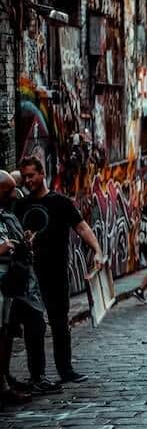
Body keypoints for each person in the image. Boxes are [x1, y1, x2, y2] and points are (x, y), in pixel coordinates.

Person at [16, 156, 104, 383]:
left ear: (42, 173)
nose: (27, 180)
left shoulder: (60, 202)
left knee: (59, 323)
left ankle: (65, 370)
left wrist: (97, 251)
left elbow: (82, 227)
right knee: (33, 326)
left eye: (31, 175)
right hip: (29, 274)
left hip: (56, 271)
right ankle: (37, 375)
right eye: (24, 176)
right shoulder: (21, 205)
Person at [1, 170, 56, 404]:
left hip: (15, 283)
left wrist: (23, 242)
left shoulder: (8, 215)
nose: (15, 194)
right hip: (5, 283)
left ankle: (10, 379)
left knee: (10, 333)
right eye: (9, 190)